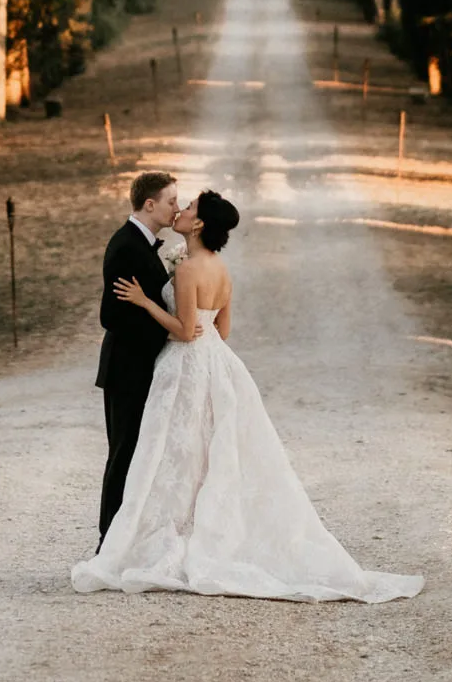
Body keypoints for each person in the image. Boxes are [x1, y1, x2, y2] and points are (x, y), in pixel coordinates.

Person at [73, 189, 424, 603]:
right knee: (206, 452)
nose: (182, 211)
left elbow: (185, 332)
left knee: (175, 454)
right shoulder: (221, 269)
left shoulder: (186, 270)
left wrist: (147, 302)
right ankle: (197, 529)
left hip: (184, 367)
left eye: (189, 209)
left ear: (199, 224)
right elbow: (221, 332)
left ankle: (169, 535)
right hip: (217, 364)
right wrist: (195, 329)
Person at [94, 170, 197, 543]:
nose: (176, 208)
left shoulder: (145, 244)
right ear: (149, 204)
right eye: (171, 201)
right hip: (127, 368)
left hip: (145, 366)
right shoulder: (126, 246)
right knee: (123, 453)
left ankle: (132, 538)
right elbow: (112, 316)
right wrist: (170, 327)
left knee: (141, 453)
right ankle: (108, 541)